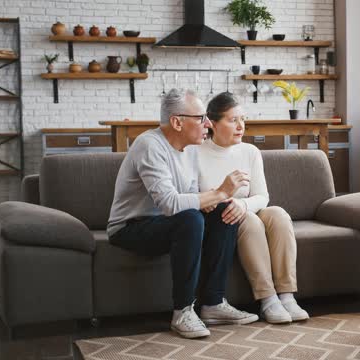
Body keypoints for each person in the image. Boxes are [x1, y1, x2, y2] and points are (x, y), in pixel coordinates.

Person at [107, 89, 258, 339]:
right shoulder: (149, 145)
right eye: (201, 118)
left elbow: (188, 196)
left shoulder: (190, 149)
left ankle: (213, 303)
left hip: (166, 223)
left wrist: (216, 199)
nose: (207, 124)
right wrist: (218, 191)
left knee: (224, 209)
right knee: (192, 218)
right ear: (177, 122)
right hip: (130, 227)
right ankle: (183, 311)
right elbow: (169, 204)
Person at [198, 92, 309, 324]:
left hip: (247, 207)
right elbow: (196, 197)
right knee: (249, 220)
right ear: (213, 124)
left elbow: (262, 196)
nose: (241, 126)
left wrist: (242, 203)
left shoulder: (250, 152)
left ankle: (287, 296)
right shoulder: (195, 153)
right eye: (232, 120)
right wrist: (229, 202)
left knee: (278, 214)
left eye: (242, 119)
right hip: (224, 219)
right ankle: (268, 299)